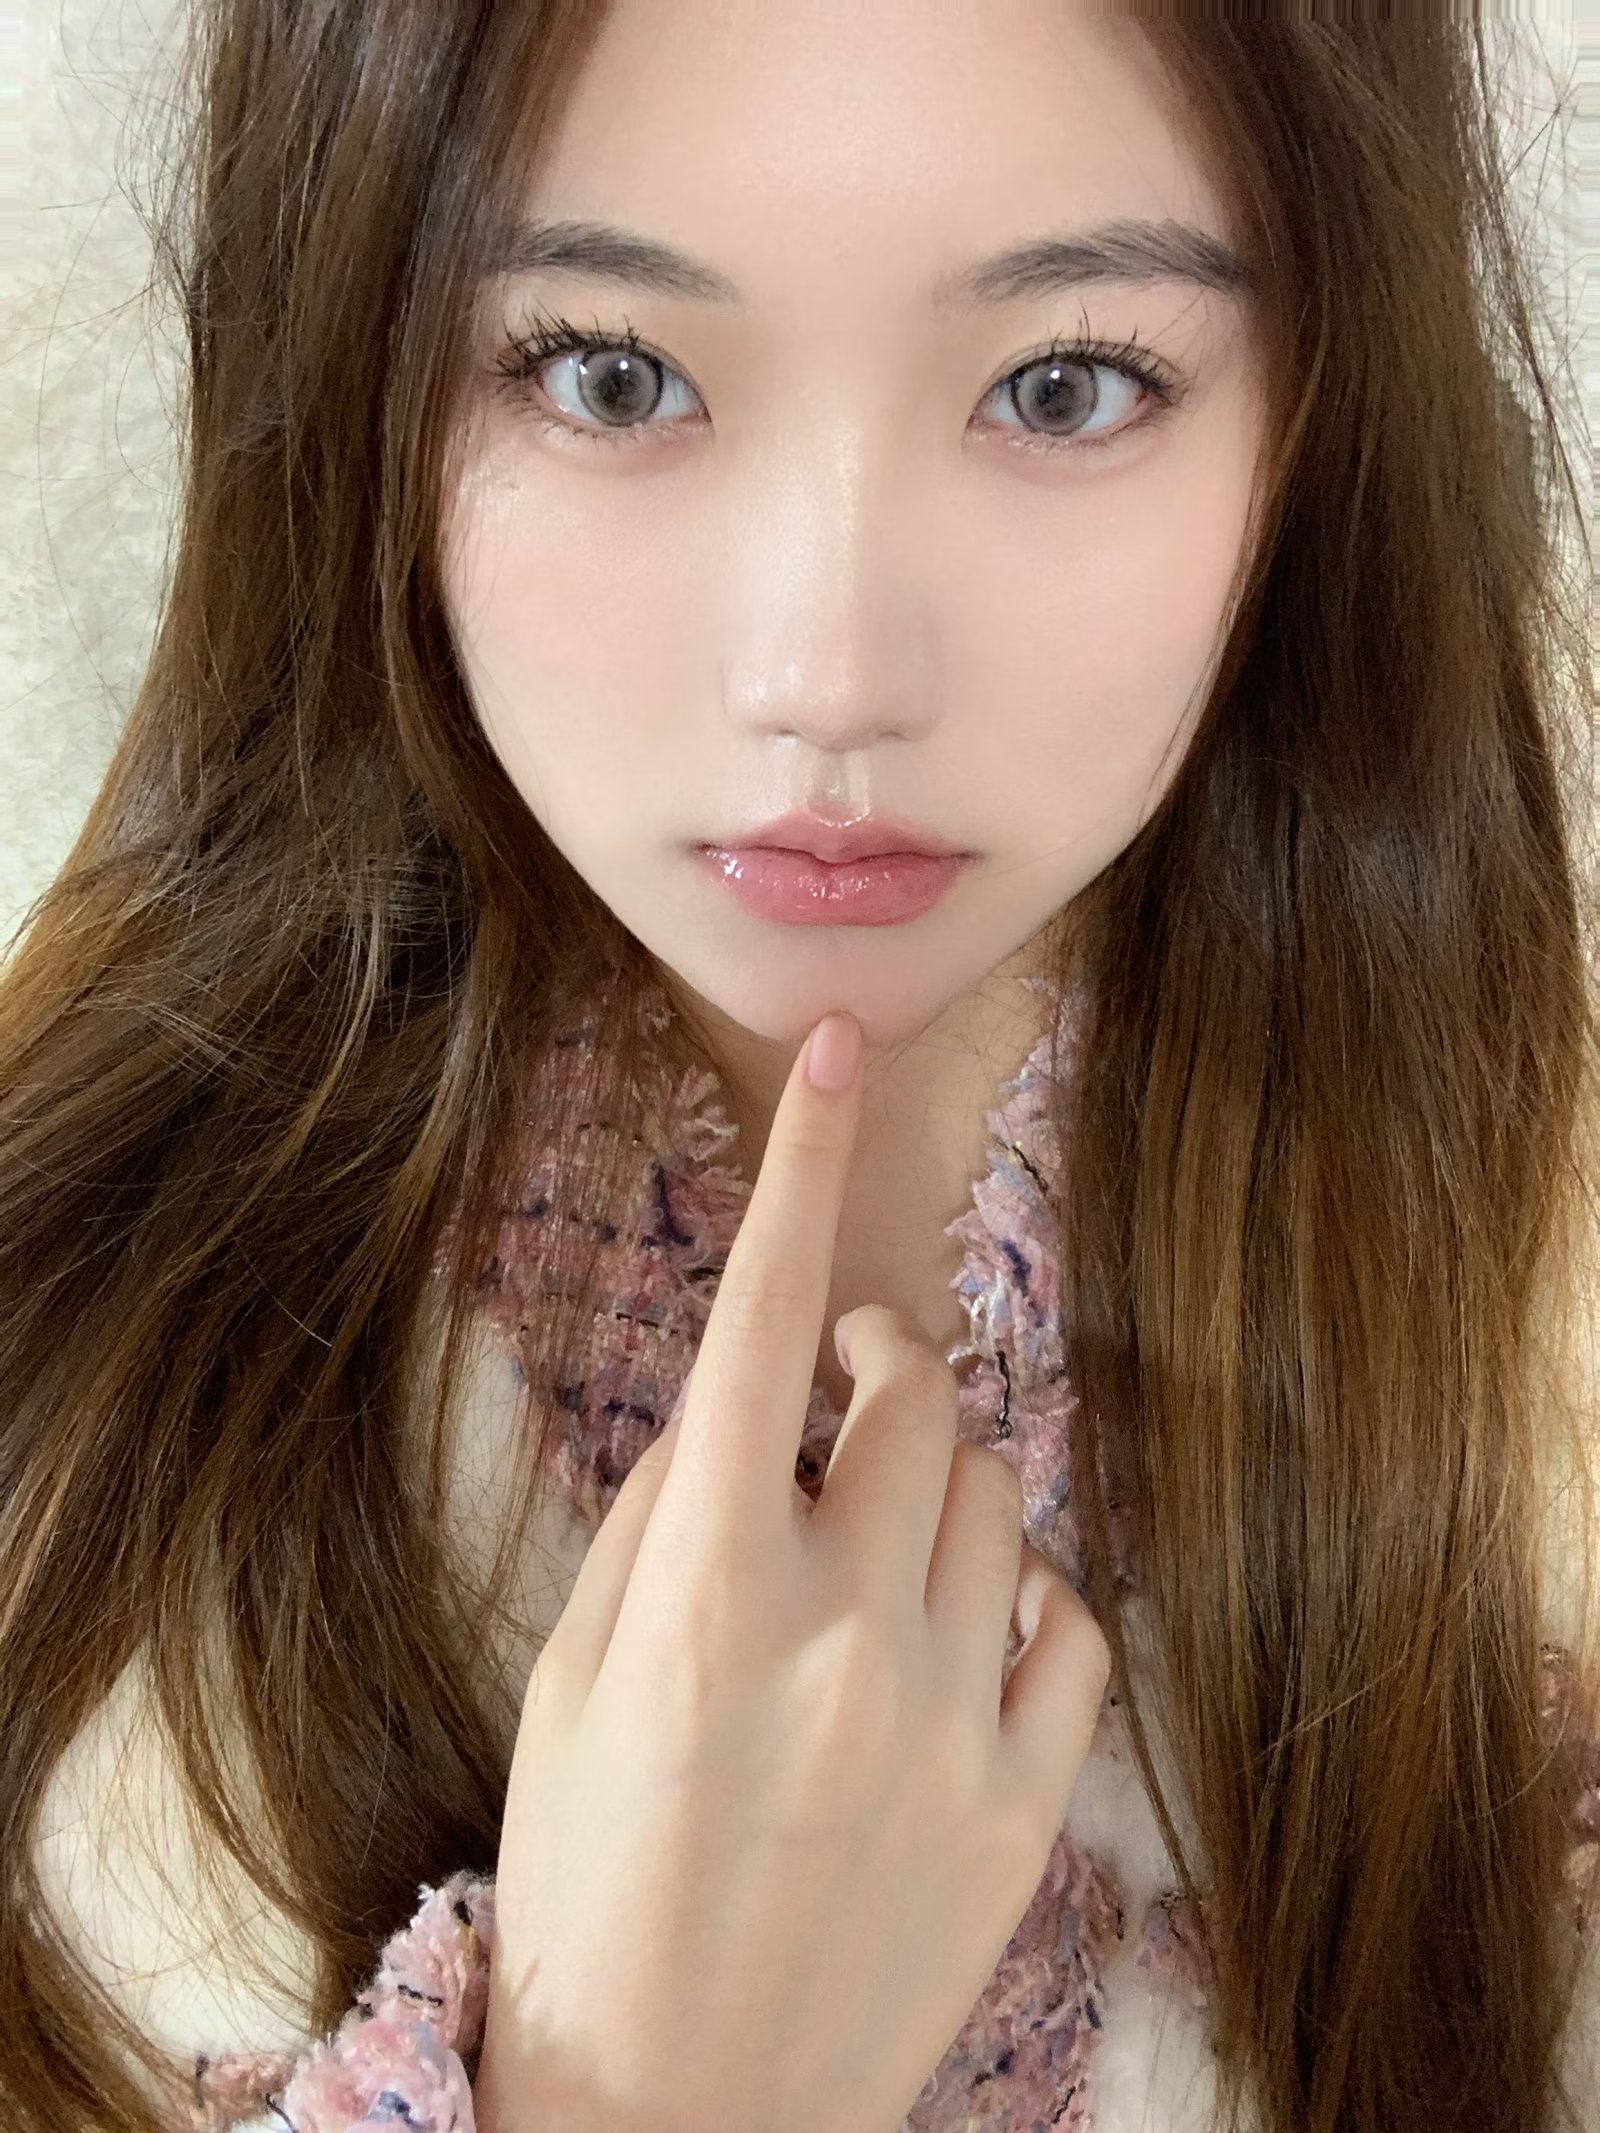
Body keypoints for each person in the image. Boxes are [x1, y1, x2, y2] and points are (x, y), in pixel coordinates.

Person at [0, 3, 1595, 2130]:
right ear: (357, 353)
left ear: (1317, 407)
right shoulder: (61, 1419)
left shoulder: (1539, 1399)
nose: (828, 672)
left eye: (1062, 384)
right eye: (609, 374)